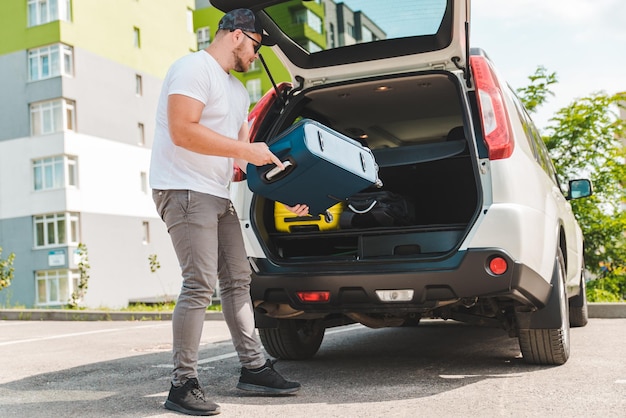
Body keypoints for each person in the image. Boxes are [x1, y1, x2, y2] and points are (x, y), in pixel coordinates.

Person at [149, 8, 308, 416]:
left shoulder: (238, 91)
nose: (256, 56)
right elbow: (183, 130)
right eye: (256, 47)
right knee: (199, 284)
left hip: (216, 193)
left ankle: (254, 368)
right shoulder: (191, 69)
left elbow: (245, 162)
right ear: (237, 35)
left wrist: (282, 193)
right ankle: (182, 384)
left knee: (238, 281)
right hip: (182, 188)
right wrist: (245, 150)